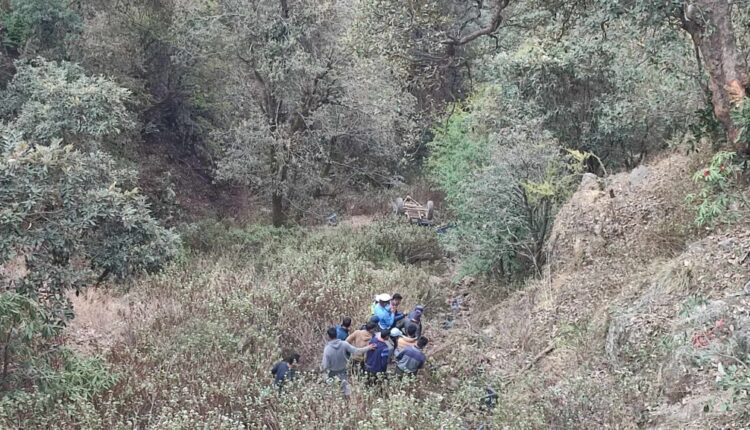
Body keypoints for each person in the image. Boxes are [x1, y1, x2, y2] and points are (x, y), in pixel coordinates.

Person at [321, 326, 374, 398]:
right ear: (336, 334)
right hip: (343, 371)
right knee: (346, 392)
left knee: (334, 391)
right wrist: (368, 347)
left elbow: (325, 365)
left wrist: (324, 375)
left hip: (332, 373)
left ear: (328, 336)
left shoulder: (327, 349)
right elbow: (357, 351)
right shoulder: (344, 344)